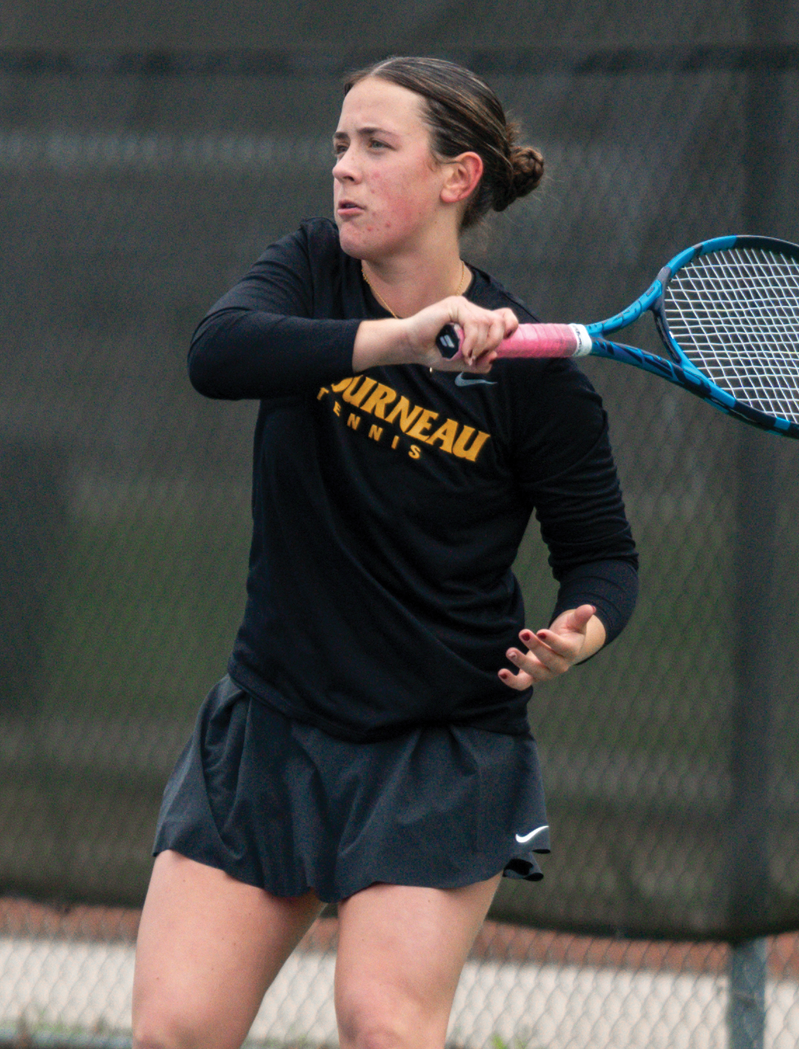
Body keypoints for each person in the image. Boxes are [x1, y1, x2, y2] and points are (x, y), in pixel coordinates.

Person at [132, 56, 638, 1049]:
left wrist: (579, 635)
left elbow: (604, 559)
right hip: (274, 719)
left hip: (438, 748)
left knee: (384, 1024)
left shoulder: (537, 382)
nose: (344, 168)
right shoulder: (310, 268)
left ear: (457, 178)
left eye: (375, 145)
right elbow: (218, 355)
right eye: (339, 145)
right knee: (176, 1029)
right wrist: (404, 340)